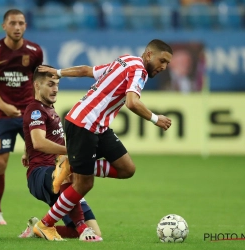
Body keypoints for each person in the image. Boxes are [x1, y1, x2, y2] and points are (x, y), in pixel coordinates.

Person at [35, 39, 173, 233]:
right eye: (162, 61)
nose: (164, 67)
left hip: (98, 127)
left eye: (167, 63)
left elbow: (86, 70)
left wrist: (58, 72)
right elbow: (132, 102)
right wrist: (155, 118)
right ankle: (44, 225)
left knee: (126, 168)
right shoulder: (139, 70)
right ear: (149, 54)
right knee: (84, 184)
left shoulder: (126, 60)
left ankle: (70, 166)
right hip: (84, 124)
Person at [20, 66, 102, 241]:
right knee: (67, 164)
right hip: (41, 174)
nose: (55, 89)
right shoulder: (36, 110)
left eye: (57, 84)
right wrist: (73, 151)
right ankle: (81, 227)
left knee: (96, 232)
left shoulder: (48, 109)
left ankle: (38, 227)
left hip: (58, 175)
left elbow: (33, 138)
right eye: (50, 84)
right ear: (37, 85)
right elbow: (39, 142)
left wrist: (26, 151)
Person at [0, 9, 43, 225]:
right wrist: (3, 105)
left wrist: (37, 109)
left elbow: (39, 83)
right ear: (4, 26)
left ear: (26, 26)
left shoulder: (35, 51)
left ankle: (58, 208)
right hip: (2, 114)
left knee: (46, 160)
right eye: (13, 23)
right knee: (0, 163)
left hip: (30, 113)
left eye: (21, 23)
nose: (17, 27)